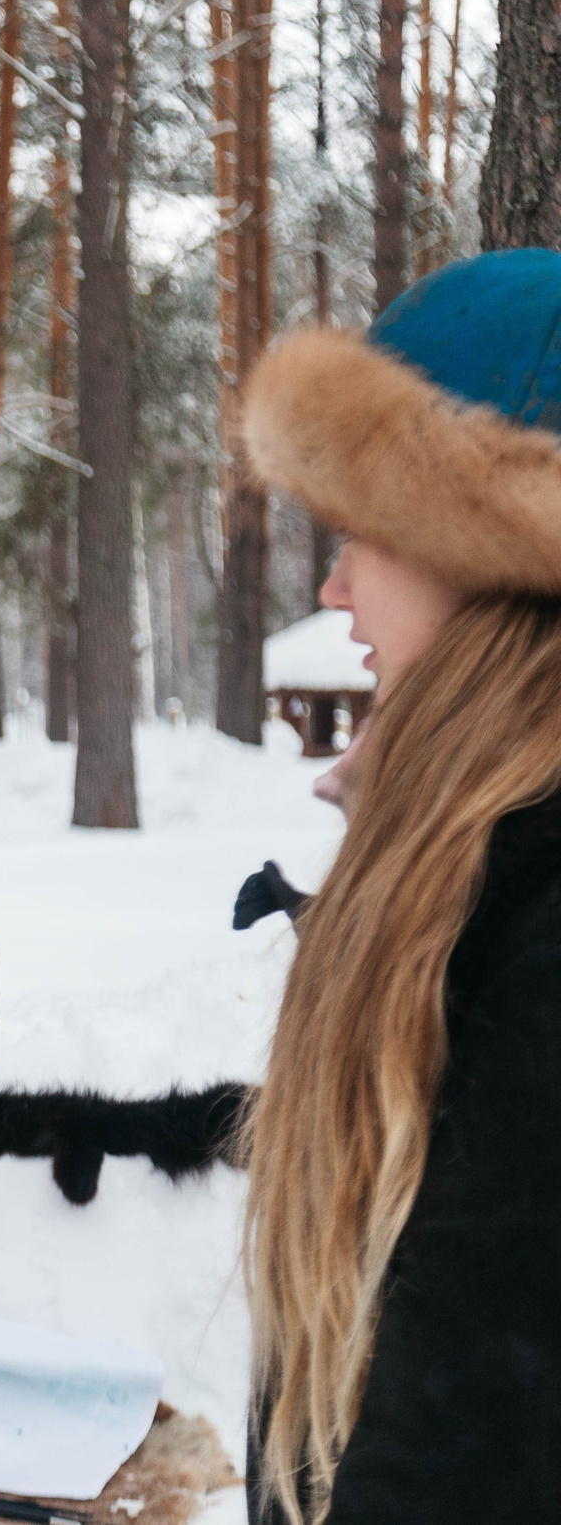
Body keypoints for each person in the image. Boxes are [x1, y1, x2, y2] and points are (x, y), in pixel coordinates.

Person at [236, 248, 561, 1525]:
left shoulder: (531, 923)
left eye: (359, 532)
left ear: (485, 543)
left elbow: (481, 1436)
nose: (333, 588)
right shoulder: (475, 869)